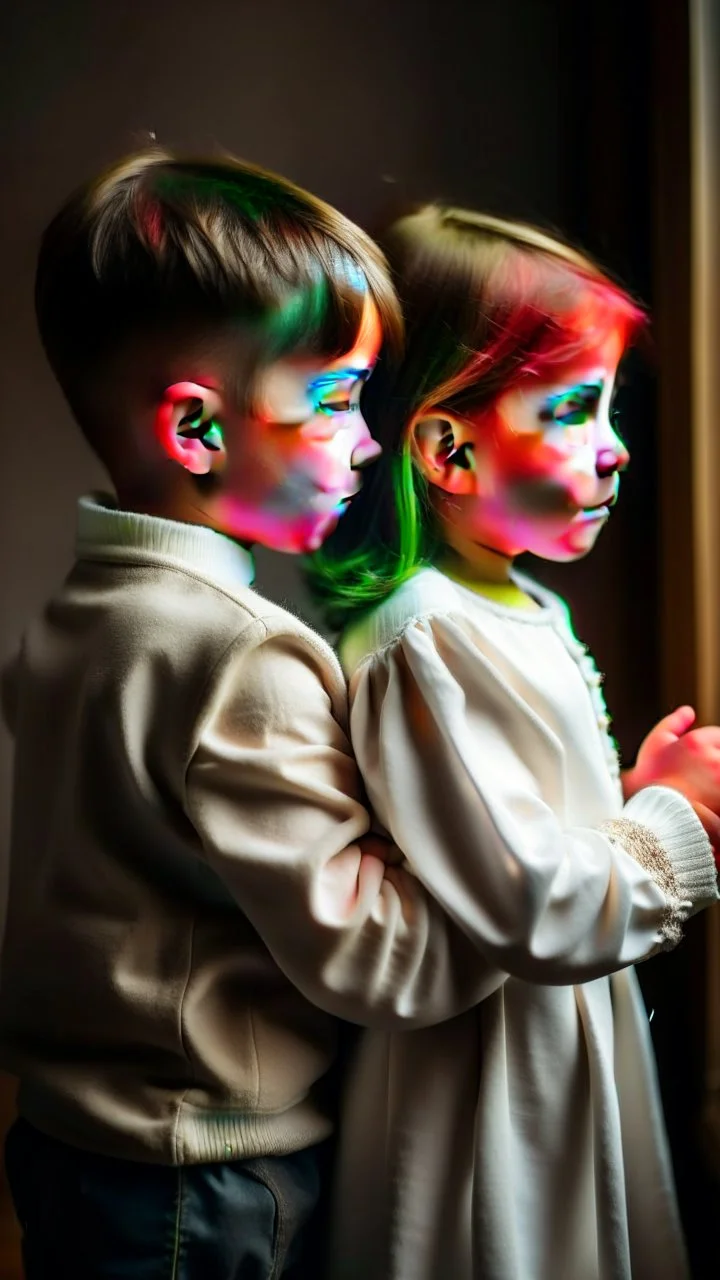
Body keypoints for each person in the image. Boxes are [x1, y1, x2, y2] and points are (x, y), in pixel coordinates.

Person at [0, 156, 513, 1280]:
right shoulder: (244, 653)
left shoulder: (75, 621)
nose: (369, 440)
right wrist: (541, 882)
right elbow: (377, 958)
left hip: (70, 1144)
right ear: (198, 429)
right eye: (336, 400)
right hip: (202, 1178)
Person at [309, 205, 720, 1280]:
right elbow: (528, 902)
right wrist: (671, 820)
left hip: (560, 1043)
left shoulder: (525, 604)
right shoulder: (423, 637)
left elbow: (523, 825)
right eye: (576, 409)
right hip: (485, 1083)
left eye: (609, 406)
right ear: (448, 448)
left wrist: (626, 795)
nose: (617, 446)